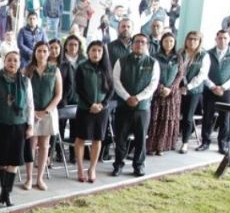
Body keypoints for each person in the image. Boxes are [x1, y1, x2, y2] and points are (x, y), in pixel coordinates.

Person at [112, 34, 160, 177]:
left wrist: (138, 98)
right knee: (120, 137)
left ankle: (138, 165)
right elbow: (116, 81)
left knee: (140, 138)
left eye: (143, 42)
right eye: (137, 42)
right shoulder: (121, 61)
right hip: (123, 106)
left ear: (147, 45)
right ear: (132, 44)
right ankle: (118, 165)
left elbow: (153, 84)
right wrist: (127, 97)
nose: (140, 44)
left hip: (142, 107)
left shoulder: (153, 63)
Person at [0, 52, 34, 207]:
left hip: (19, 125)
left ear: (19, 63)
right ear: (4, 61)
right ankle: (3, 190)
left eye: (15, 60)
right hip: (1, 124)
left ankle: (6, 193)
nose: (12, 63)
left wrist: (30, 126)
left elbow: (30, 105)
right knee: (2, 161)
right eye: (9, 60)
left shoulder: (25, 81)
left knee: (14, 161)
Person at [72, 41, 114, 183]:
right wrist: (91, 105)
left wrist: (102, 104)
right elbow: (79, 88)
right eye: (93, 50)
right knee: (81, 138)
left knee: (98, 139)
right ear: (88, 52)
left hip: (102, 110)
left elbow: (111, 89)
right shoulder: (82, 67)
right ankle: (79, 168)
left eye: (99, 51)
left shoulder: (106, 67)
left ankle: (92, 168)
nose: (96, 53)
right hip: (85, 108)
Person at [24, 42, 63, 190]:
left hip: (48, 112)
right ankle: (28, 178)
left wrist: (46, 111)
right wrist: (32, 112)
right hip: (31, 113)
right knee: (31, 146)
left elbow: (58, 95)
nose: (42, 53)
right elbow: (23, 93)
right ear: (34, 52)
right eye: (39, 51)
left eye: (45, 51)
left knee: (44, 146)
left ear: (49, 53)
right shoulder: (28, 70)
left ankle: (39, 178)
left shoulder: (55, 70)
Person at [198, 31, 230, 154]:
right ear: (215, 39)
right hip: (210, 90)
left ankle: (223, 144)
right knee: (207, 117)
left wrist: (223, 87)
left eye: (225, 38)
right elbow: (203, 73)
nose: (222, 40)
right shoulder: (208, 54)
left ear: (229, 40)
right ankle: (205, 142)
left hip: (227, 91)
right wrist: (212, 86)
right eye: (220, 38)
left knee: (225, 118)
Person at [147, 33, 182, 155]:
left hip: (172, 96)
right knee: (155, 120)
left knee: (167, 121)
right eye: (166, 41)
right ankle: (151, 146)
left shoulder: (178, 58)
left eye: (171, 41)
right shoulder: (155, 57)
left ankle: (162, 147)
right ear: (162, 42)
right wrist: (161, 87)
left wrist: (171, 89)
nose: (169, 44)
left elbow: (180, 75)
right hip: (158, 93)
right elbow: (152, 74)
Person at [178, 32, 210, 154]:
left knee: (187, 117)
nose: (192, 42)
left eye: (195, 40)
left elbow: (202, 75)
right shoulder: (180, 53)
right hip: (178, 88)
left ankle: (184, 142)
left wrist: (188, 86)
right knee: (176, 115)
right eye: (190, 39)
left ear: (199, 41)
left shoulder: (203, 55)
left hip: (194, 90)